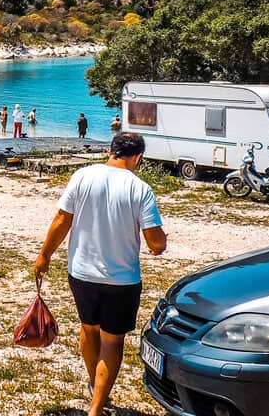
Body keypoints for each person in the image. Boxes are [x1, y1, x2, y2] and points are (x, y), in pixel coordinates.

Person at [34, 133, 167, 416]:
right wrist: (161, 242)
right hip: (121, 279)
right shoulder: (140, 188)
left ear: (110, 150)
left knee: (89, 329)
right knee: (112, 340)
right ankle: (96, 407)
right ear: (138, 157)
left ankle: (95, 387)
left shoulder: (82, 176)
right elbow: (156, 243)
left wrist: (44, 255)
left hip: (81, 272)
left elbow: (62, 219)